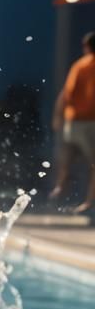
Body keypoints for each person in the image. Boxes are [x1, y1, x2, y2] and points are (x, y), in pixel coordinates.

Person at [53, 32, 95, 213]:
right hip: (91, 122)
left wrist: (58, 116)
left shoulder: (80, 65)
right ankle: (89, 202)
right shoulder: (82, 66)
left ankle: (60, 186)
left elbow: (67, 93)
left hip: (75, 121)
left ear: (86, 47)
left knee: (67, 157)